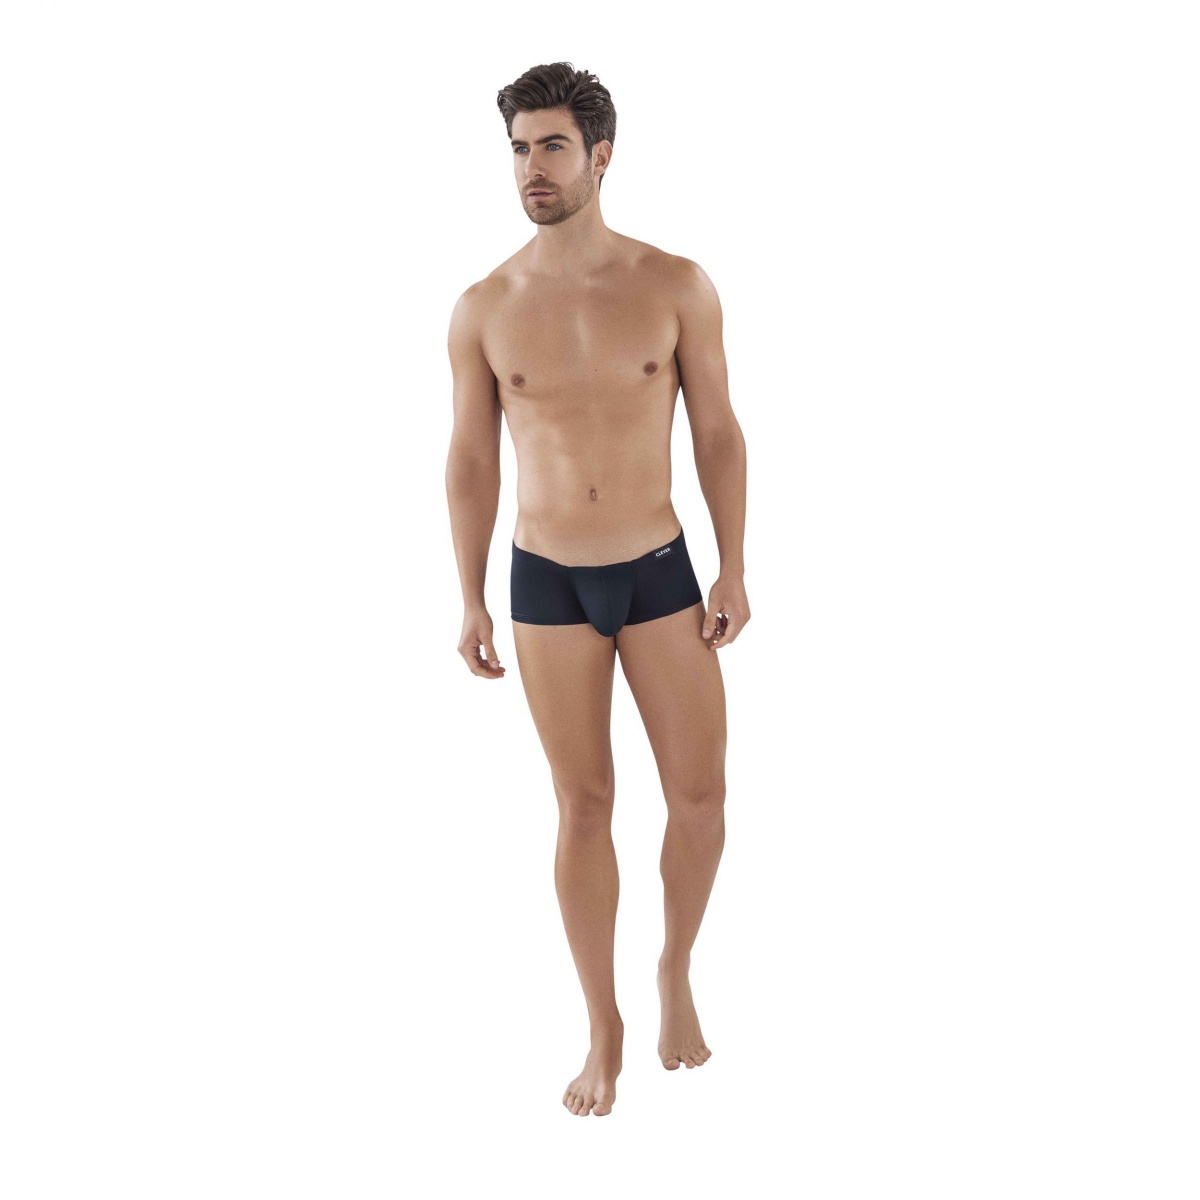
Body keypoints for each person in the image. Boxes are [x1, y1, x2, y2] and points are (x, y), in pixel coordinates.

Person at [444, 62, 750, 1117]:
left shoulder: (674, 284)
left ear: (600, 157)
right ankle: (602, 1025)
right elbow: (471, 459)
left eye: (552, 147)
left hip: (658, 570)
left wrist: (735, 564)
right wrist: (471, 595)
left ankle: (675, 968)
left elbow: (718, 430)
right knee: (583, 805)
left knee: (701, 798)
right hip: (546, 582)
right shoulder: (484, 307)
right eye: (519, 149)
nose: (531, 167)